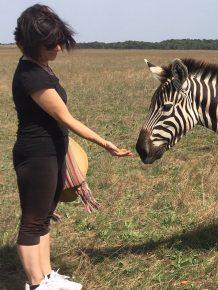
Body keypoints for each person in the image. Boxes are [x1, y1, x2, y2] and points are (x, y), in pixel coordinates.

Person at [12, 4, 133, 290]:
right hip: (37, 155)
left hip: (52, 150)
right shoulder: (32, 75)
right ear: (32, 45)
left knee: (43, 218)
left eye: (59, 41)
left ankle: (45, 276)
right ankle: (37, 284)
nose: (57, 48)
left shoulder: (40, 66)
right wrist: (106, 144)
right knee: (32, 221)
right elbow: (65, 118)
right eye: (50, 44)